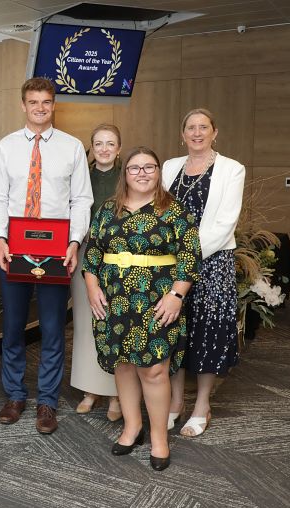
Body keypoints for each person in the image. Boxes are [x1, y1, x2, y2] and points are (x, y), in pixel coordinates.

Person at [83, 146, 201, 471]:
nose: (142, 173)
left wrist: (177, 296)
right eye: (135, 168)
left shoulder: (174, 211)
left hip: (158, 300)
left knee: (154, 369)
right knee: (123, 365)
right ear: (125, 174)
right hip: (114, 300)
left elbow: (190, 257)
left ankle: (159, 437)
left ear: (159, 172)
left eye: (149, 167)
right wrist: (92, 288)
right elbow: (92, 254)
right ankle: (132, 427)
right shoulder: (108, 209)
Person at [0, 77, 93, 434]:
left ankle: (47, 401)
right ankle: (15, 394)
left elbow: (81, 199)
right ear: (23, 105)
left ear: (53, 105)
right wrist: (0, 239)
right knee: (13, 327)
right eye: (33, 102)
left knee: (51, 329)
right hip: (13, 251)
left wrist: (75, 242)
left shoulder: (72, 147)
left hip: (56, 253)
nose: (40, 108)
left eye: (46, 102)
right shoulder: (6, 147)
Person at [163, 109, 245, 437]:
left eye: (203, 127)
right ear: (182, 134)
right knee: (175, 330)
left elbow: (226, 222)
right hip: (170, 263)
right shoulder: (170, 167)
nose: (197, 133)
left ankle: (202, 406)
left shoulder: (231, 169)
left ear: (214, 132)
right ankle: (175, 402)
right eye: (191, 128)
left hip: (212, 262)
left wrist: (187, 257)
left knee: (208, 331)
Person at [71, 124, 122, 421]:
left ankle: (116, 393)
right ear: (91, 148)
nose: (104, 149)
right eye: (98, 143)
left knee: (116, 323)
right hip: (85, 255)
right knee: (86, 323)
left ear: (118, 148)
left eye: (110, 143)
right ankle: (90, 390)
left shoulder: (127, 176)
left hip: (118, 259)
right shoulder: (82, 175)